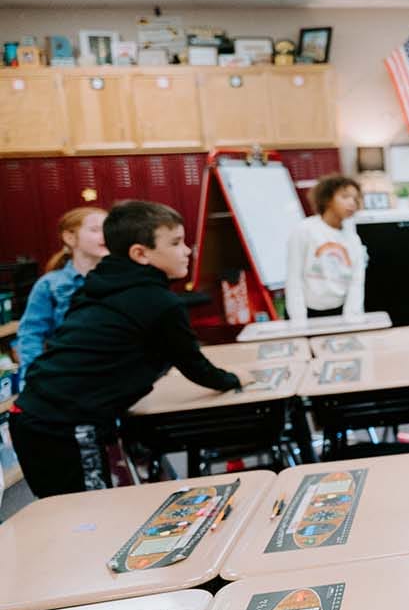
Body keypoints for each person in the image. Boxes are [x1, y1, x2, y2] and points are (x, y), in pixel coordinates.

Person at [8, 201, 242, 498]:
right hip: (62, 425)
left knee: (73, 514)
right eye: (175, 242)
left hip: (34, 416)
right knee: (87, 515)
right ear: (140, 254)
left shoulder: (101, 285)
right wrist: (235, 379)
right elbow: (195, 366)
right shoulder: (158, 303)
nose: (187, 250)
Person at [16, 206, 107, 388]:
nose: (104, 235)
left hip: (108, 380)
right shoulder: (49, 285)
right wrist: (34, 377)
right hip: (64, 380)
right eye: (96, 230)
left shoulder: (118, 280)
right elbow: (31, 334)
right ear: (70, 238)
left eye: (108, 229)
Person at [284, 174, 367, 322]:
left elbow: (356, 282)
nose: (352, 203)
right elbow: (294, 277)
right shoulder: (305, 230)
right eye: (345, 196)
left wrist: (352, 319)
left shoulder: (353, 239)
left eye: (355, 199)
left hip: (339, 313)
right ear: (327, 199)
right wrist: (298, 320)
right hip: (307, 313)